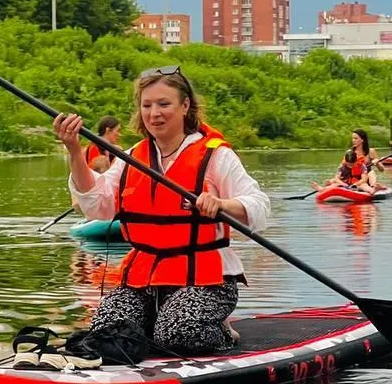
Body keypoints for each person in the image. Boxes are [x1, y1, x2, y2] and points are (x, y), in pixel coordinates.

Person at [54, 65, 271, 357]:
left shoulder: (216, 155)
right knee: (108, 331)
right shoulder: (131, 158)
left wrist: (222, 204)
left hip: (206, 280)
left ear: (185, 106)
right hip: (143, 279)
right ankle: (153, 324)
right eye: (147, 105)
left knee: (179, 332)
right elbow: (97, 205)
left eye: (164, 104)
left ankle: (221, 330)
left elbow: (260, 207)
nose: (154, 113)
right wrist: (74, 152)